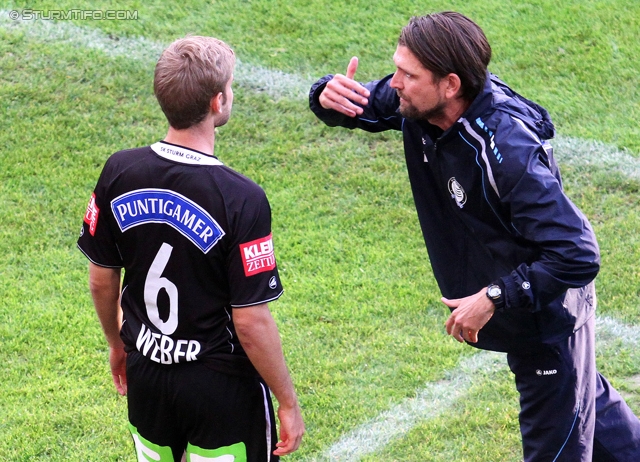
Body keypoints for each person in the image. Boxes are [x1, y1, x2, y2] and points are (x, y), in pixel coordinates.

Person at [309, 11, 640, 462]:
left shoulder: (508, 153)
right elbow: (359, 106)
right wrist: (326, 95)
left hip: (548, 323)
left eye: (408, 74)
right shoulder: (422, 102)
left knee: (556, 446)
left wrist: (494, 296)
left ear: (450, 84)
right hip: (519, 309)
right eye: (397, 68)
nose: (394, 83)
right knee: (595, 415)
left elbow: (576, 254)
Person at [78, 36, 304, 461]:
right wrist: (287, 400)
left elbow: (100, 277)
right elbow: (251, 322)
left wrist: (117, 343)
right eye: (232, 87)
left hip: (146, 373)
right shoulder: (242, 198)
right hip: (218, 385)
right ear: (217, 102)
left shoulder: (119, 171)